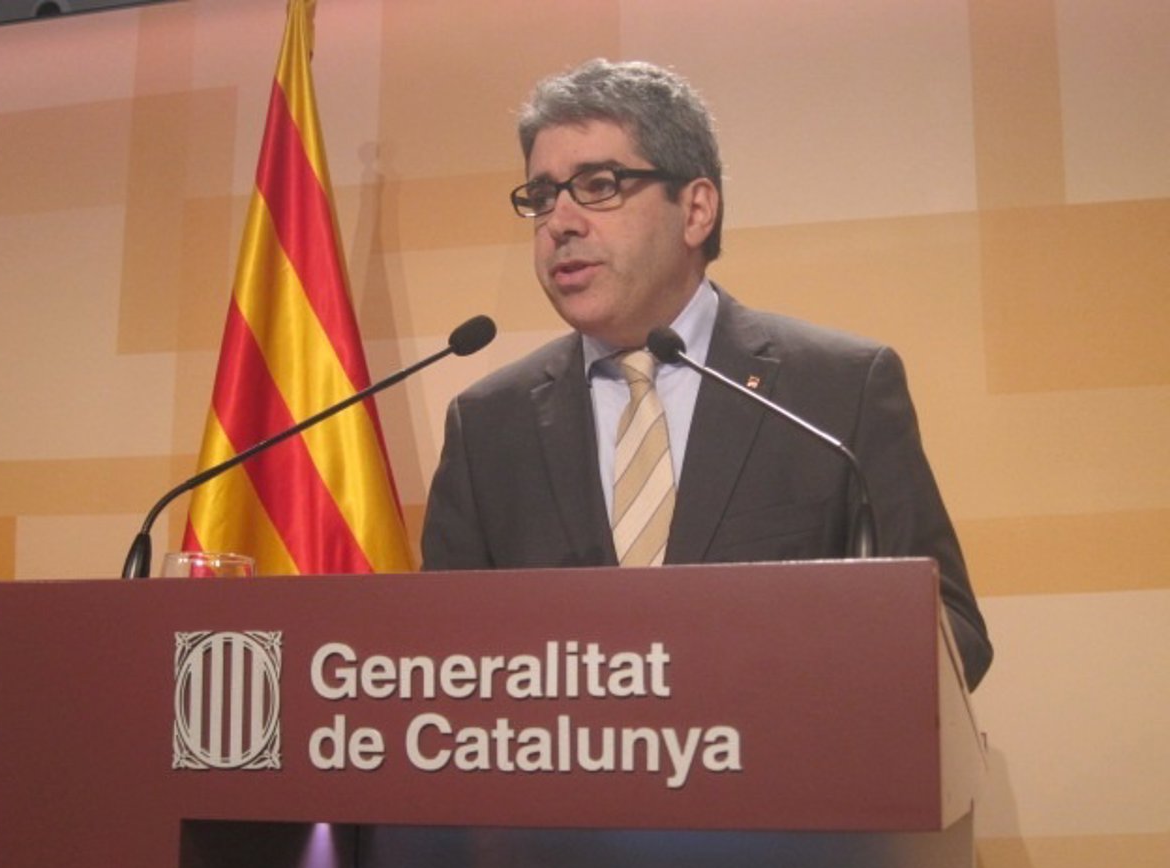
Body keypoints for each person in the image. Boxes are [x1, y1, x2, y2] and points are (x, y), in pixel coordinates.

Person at [421, 59, 992, 690]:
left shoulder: (836, 391)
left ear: (696, 210)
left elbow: (953, 631)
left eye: (599, 185)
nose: (561, 222)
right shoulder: (489, 426)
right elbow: (442, 659)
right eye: (542, 196)